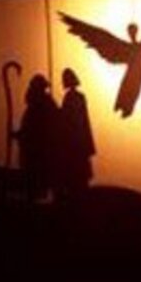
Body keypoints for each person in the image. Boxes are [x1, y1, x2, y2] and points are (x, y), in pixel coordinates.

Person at [13, 74, 59, 202]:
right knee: (31, 181)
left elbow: (37, 129)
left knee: (37, 179)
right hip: (32, 151)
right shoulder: (37, 105)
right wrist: (20, 134)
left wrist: (21, 135)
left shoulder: (44, 105)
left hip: (39, 152)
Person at [58, 68, 96, 198]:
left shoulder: (70, 98)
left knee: (75, 178)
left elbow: (69, 119)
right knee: (80, 178)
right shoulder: (80, 97)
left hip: (74, 145)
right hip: (81, 144)